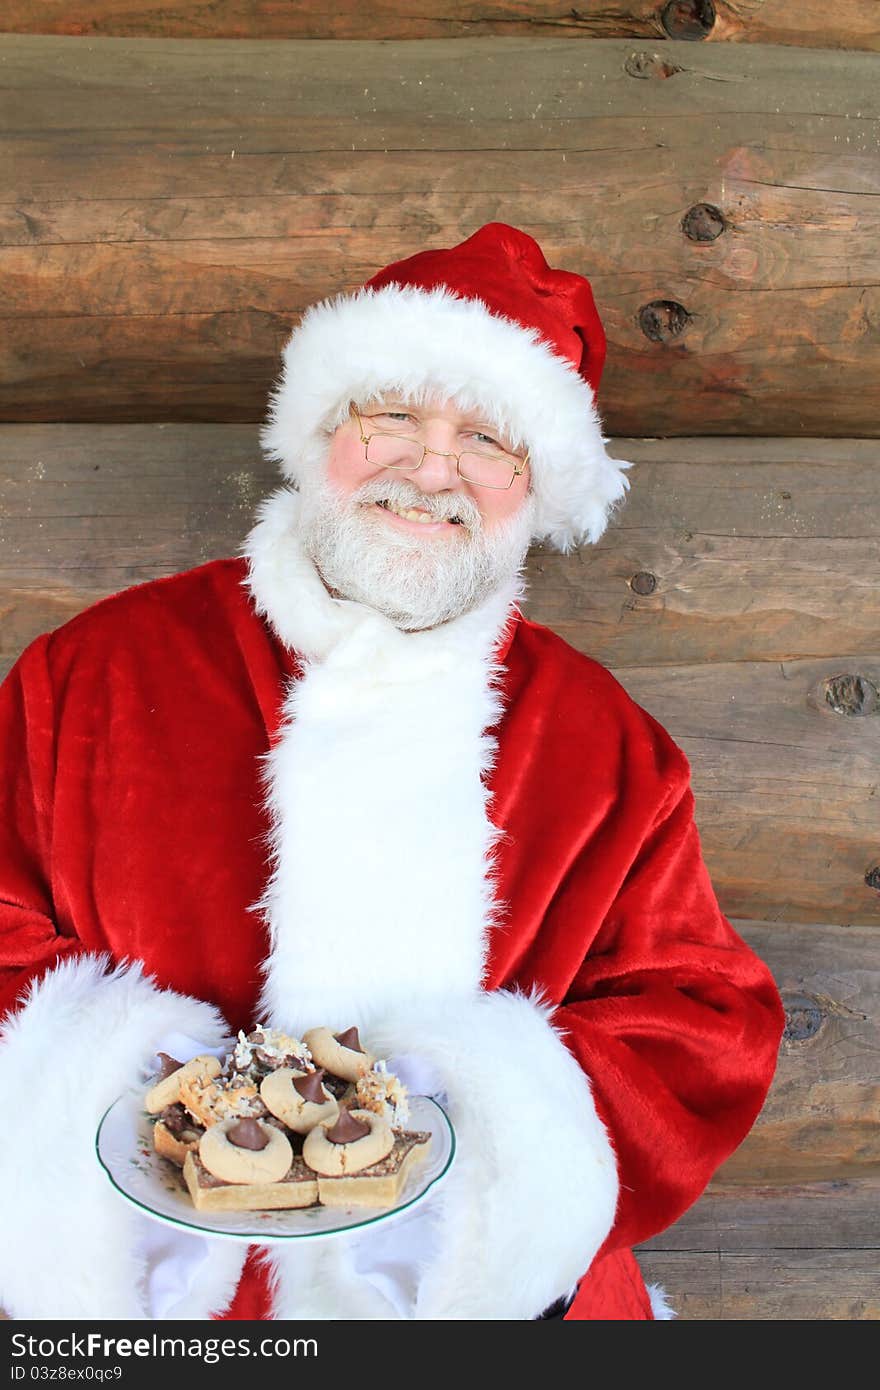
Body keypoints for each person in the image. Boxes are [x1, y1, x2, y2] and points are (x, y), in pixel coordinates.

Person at [0, 223, 784, 1321]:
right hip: (154, 1301)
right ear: (322, 432)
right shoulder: (88, 672)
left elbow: (701, 1018)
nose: (431, 468)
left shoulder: (607, 742)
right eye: (393, 417)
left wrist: (479, 1107)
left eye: (486, 440)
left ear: (535, 485)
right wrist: (125, 1072)